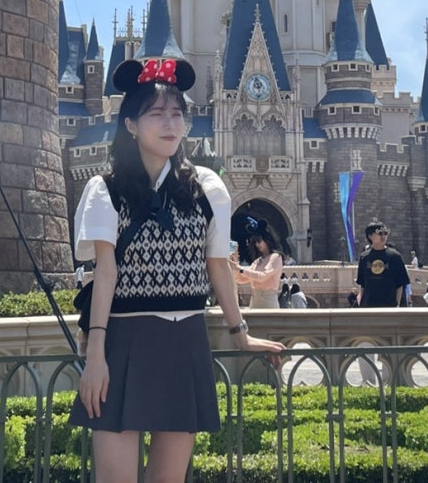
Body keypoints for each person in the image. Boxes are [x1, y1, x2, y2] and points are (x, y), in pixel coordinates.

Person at [68, 57, 283, 483]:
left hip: (184, 340)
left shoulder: (206, 188)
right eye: (156, 113)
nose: (170, 123)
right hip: (123, 340)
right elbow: (105, 273)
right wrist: (95, 357)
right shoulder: (105, 189)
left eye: (177, 113)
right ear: (131, 124)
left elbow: (217, 266)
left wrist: (240, 333)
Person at [231, 219, 284, 307]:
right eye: (255, 242)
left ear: (267, 240)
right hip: (254, 301)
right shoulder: (257, 261)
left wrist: (239, 269)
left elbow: (262, 276)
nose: (257, 244)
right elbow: (241, 279)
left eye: (259, 241)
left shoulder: (276, 257)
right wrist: (234, 263)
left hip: (268, 302)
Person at [355, 222, 410, 308]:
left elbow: (400, 284)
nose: (383, 236)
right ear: (370, 236)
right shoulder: (364, 257)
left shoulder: (395, 256)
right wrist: (361, 303)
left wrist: (397, 304)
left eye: (385, 233)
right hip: (368, 306)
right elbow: (362, 284)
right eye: (380, 233)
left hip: (389, 306)